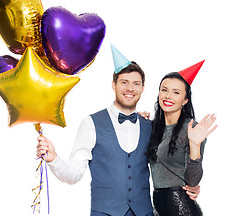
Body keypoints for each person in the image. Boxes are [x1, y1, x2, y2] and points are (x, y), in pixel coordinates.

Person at [36, 45, 200, 216]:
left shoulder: (150, 127)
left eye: (136, 83)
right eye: (124, 82)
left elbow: (168, 164)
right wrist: (54, 159)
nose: (130, 88)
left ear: (142, 88)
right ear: (113, 85)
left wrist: (190, 186)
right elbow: (74, 175)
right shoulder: (91, 124)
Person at [146, 61, 217, 216]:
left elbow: (193, 180)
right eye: (164, 90)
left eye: (176, 92)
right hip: (158, 206)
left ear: (185, 100)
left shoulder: (192, 129)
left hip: (181, 207)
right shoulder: (151, 128)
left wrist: (195, 145)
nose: (168, 96)